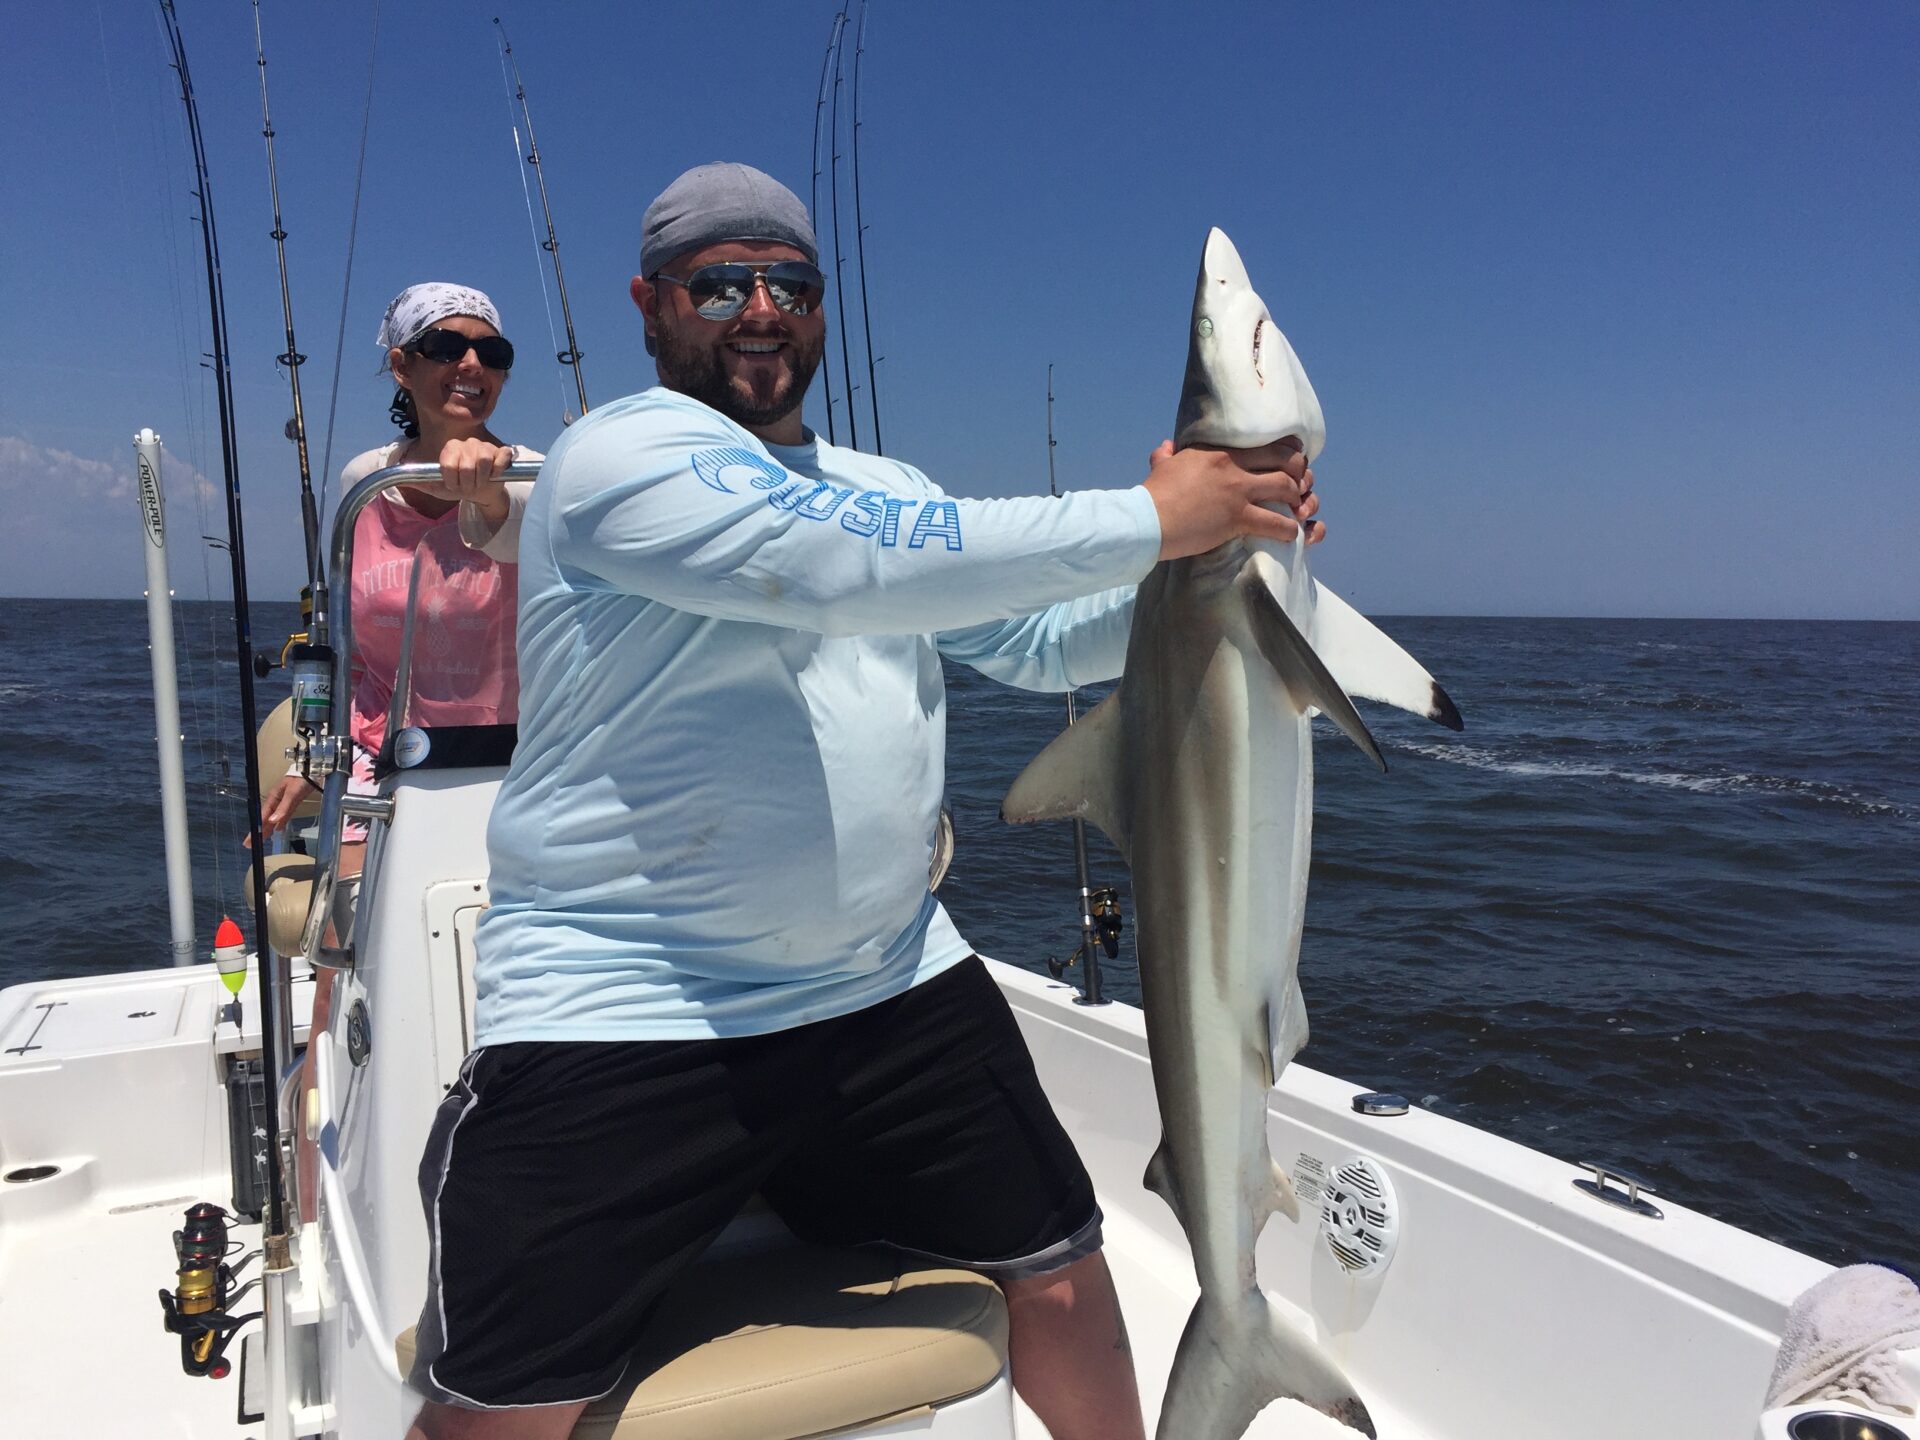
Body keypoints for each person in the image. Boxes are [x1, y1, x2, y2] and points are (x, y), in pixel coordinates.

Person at [405, 164, 1321, 1440]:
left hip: (885, 985)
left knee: (1063, 1275)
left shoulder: (889, 485)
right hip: (624, 1004)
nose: (760, 309)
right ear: (649, 304)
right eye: (720, 283)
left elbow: (1049, 635)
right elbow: (824, 564)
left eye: (790, 283)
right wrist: (1147, 516)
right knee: (499, 1412)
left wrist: (1222, 558)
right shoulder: (613, 456)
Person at [257, 283, 539, 1223]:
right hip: (380, 760)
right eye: (445, 345)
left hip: (519, 759)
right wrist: (310, 751)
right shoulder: (359, 483)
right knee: (350, 966)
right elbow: (335, 640)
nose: (471, 366)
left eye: (491, 352)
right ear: (401, 363)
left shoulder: (540, 474)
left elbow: (570, 602)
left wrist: (496, 498)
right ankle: (323, 1150)